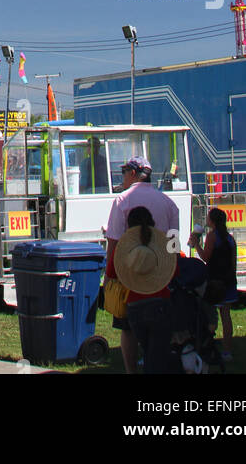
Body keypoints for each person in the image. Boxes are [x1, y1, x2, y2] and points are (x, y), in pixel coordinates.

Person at [105, 156, 181, 374]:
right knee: (159, 338)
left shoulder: (122, 200)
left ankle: (131, 371)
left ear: (132, 174)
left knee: (127, 329)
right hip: (161, 275)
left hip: (130, 274)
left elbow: (114, 241)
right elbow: (174, 243)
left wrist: (110, 274)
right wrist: (171, 268)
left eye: (123, 173)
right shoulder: (169, 203)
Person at [115, 205, 177, 375]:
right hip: (160, 302)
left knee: (148, 350)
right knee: (157, 354)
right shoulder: (162, 242)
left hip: (134, 305)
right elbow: (175, 270)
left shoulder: (125, 247)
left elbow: (113, 272)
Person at [189, 206, 237, 358]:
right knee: (226, 316)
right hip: (228, 280)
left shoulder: (212, 236)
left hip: (214, 280)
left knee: (210, 315)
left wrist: (196, 244)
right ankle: (228, 350)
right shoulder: (230, 238)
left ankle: (208, 345)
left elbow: (205, 257)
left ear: (212, 221)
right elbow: (233, 261)